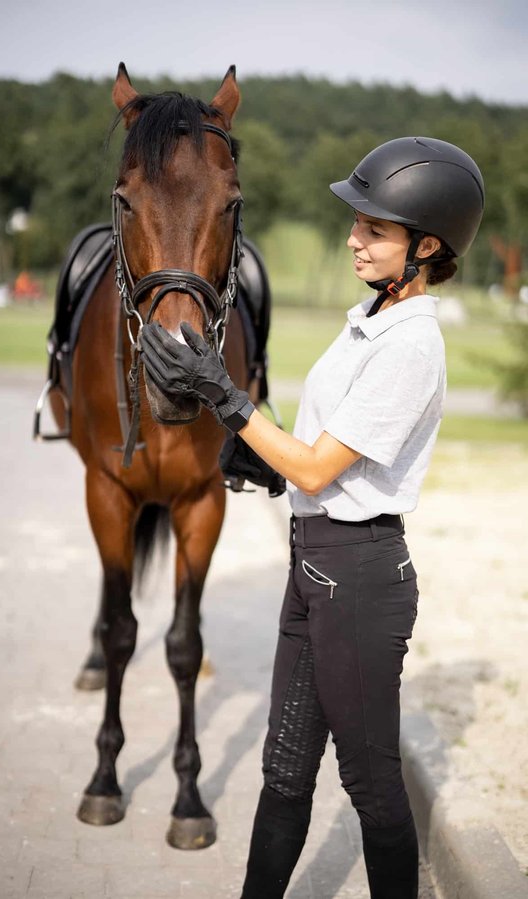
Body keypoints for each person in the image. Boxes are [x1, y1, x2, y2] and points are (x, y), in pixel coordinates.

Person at [140, 136, 485, 899]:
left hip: (360, 580)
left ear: (426, 246)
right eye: (357, 221)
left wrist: (225, 397)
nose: (354, 237)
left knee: (371, 783)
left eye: (375, 228)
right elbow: (316, 452)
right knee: (286, 767)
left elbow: (321, 468)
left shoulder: (412, 344)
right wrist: (257, 455)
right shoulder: (368, 319)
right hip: (315, 564)